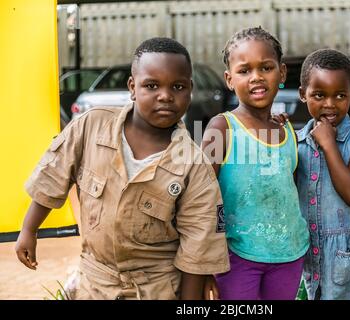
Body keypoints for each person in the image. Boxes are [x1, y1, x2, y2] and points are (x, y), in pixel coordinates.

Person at [15, 37, 230, 300]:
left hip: (157, 286)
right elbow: (53, 175)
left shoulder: (194, 166)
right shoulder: (90, 126)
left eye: (178, 86)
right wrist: (29, 230)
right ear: (132, 86)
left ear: (190, 90)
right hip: (95, 283)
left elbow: (198, 248)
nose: (165, 95)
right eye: (151, 85)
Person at [201, 27, 310, 300]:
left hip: (288, 253)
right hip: (236, 256)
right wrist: (203, 264)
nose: (256, 77)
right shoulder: (222, 128)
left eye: (266, 67)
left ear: (282, 73)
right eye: (244, 70)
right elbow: (201, 198)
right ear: (229, 79)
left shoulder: (288, 134)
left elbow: (291, 191)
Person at [280, 48, 350, 299]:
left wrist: (329, 144)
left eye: (340, 95)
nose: (329, 104)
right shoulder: (296, 143)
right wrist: (278, 139)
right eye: (318, 95)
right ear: (302, 94)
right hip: (317, 255)